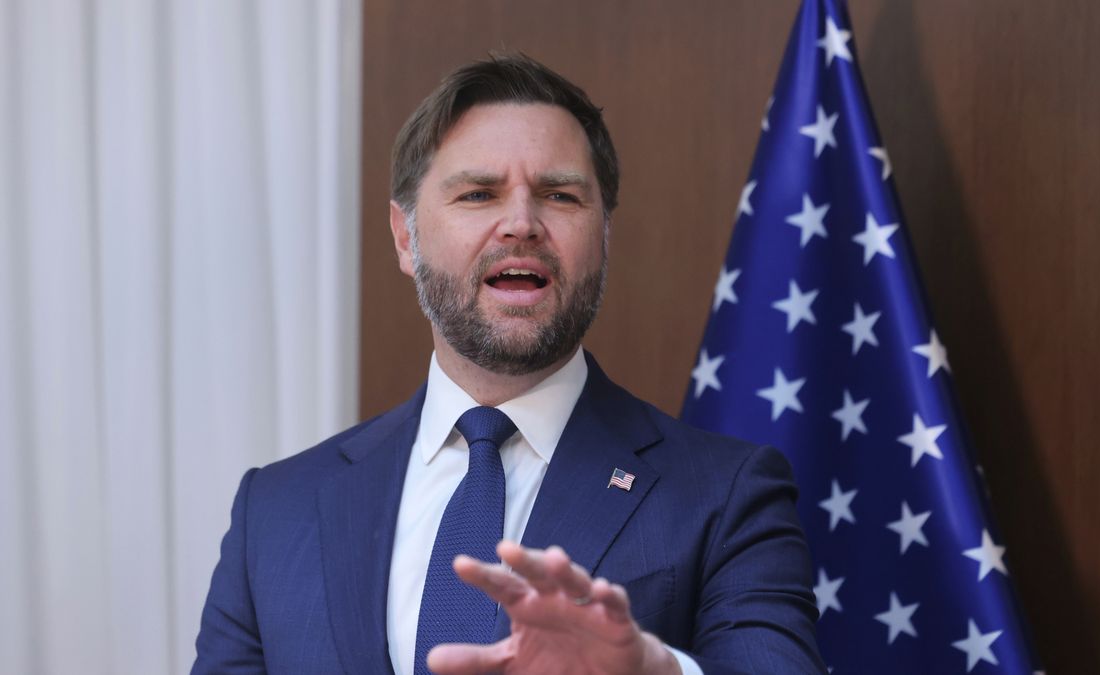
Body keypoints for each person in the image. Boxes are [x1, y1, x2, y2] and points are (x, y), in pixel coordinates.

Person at [193, 54, 825, 675]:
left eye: (559, 195)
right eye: (478, 194)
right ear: (406, 237)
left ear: (603, 236)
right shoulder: (273, 512)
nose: (521, 223)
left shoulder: (729, 495)